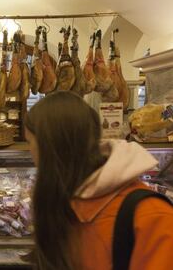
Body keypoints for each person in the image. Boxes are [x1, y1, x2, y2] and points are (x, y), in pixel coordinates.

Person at [24, 91, 173, 270]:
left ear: (49, 150)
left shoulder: (151, 216)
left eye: (30, 143)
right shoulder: (65, 206)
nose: (30, 154)